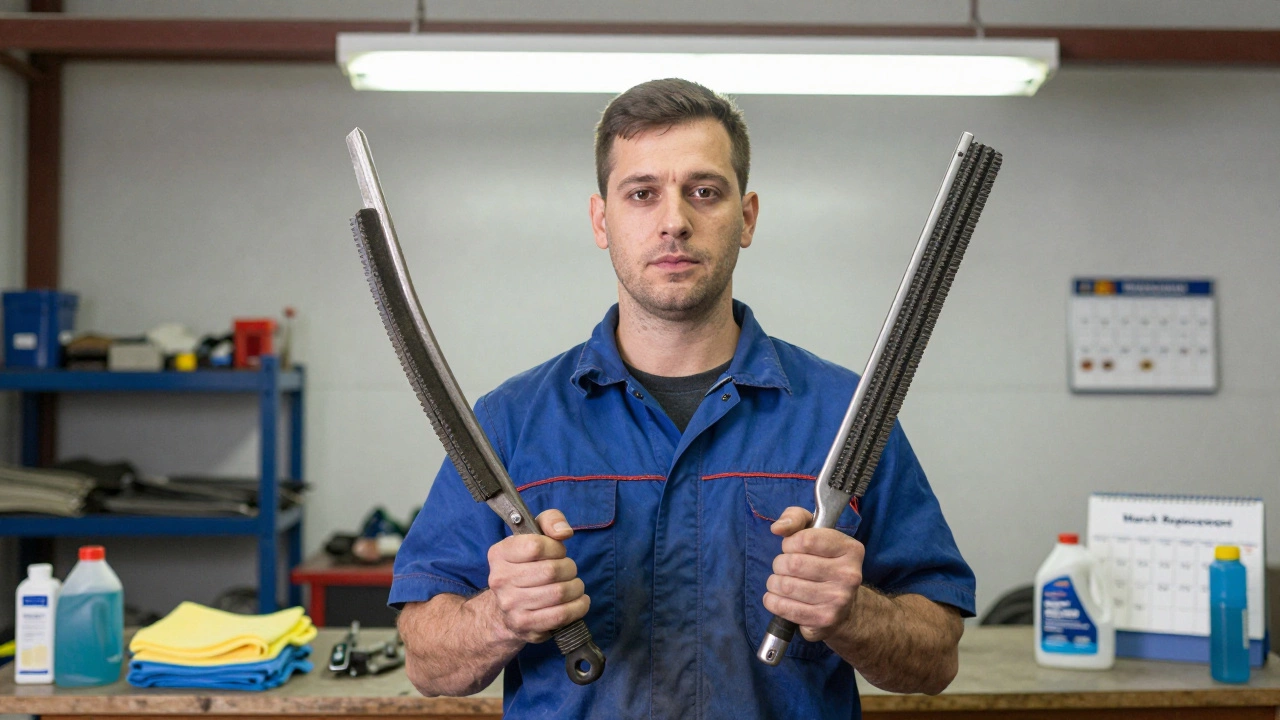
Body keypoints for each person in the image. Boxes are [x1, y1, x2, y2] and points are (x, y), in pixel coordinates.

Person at [390, 78, 975, 719]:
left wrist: (855, 613)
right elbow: (426, 660)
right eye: (642, 194)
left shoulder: (849, 417)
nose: (674, 221)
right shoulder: (509, 423)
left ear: (746, 217)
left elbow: (936, 656)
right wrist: (499, 616)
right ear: (601, 220)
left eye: (704, 191)